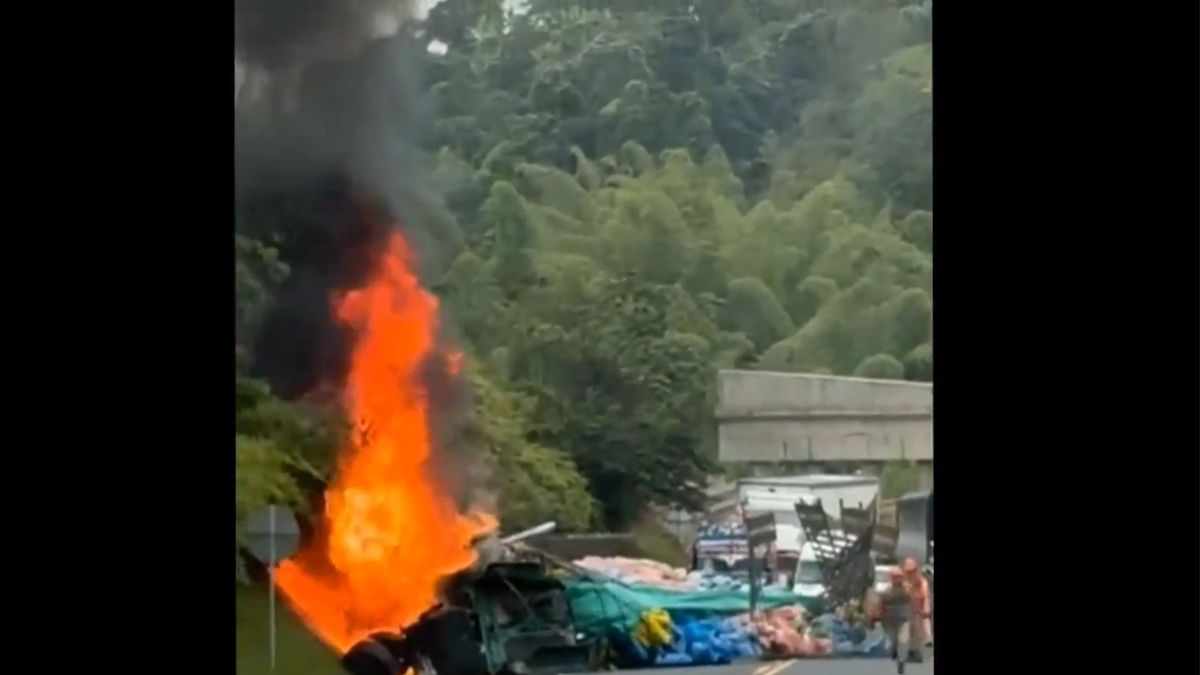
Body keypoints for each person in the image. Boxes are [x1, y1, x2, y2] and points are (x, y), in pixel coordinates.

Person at [869, 567, 912, 674]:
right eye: (895, 577)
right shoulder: (886, 591)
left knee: (904, 641)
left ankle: (901, 662)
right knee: (893, 641)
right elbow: (880, 605)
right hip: (890, 621)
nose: (897, 579)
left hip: (904, 620)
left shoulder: (907, 589)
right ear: (891, 578)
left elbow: (914, 602)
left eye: (899, 577)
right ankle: (894, 652)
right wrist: (875, 617)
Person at [901, 557, 933, 658]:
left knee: (917, 629)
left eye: (912, 571)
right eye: (908, 571)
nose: (910, 573)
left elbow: (926, 596)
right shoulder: (905, 581)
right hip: (909, 609)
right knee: (910, 630)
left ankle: (916, 651)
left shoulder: (922, 582)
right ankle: (911, 650)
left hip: (918, 609)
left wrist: (925, 609)